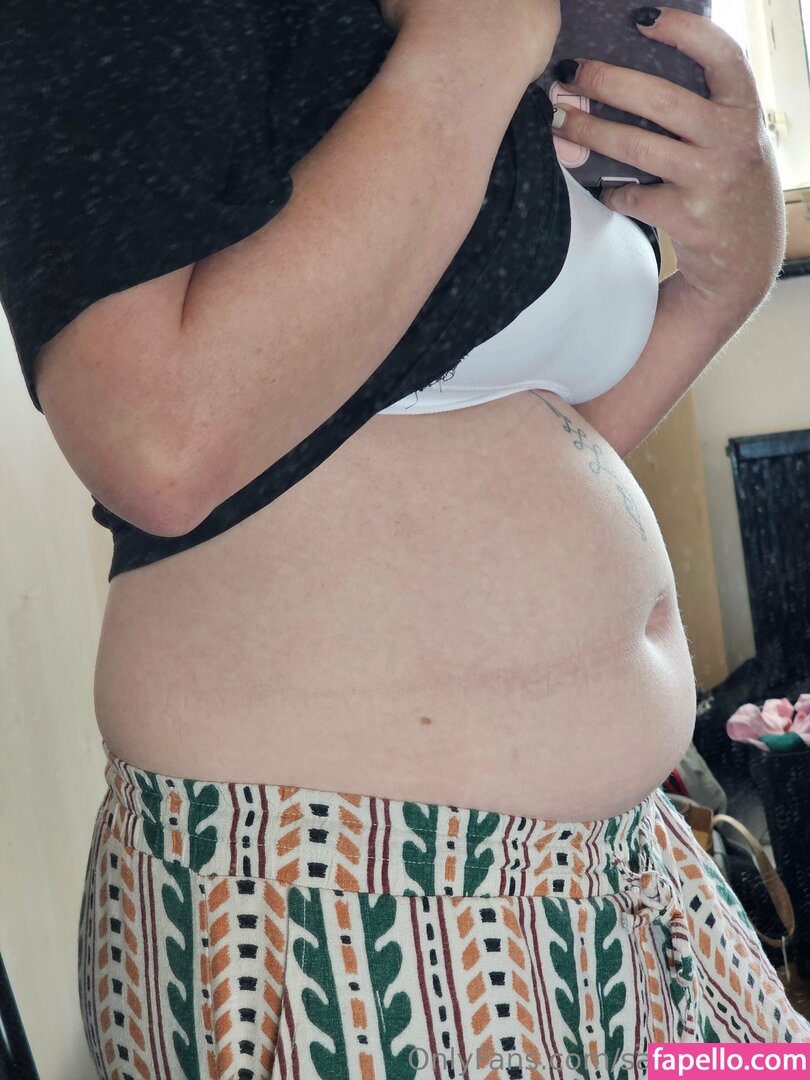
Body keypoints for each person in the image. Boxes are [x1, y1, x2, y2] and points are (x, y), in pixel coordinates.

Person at [2, 0, 808, 1075]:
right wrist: (474, 44)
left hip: (632, 870)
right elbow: (160, 446)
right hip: (359, 909)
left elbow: (528, 441)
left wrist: (724, 280)